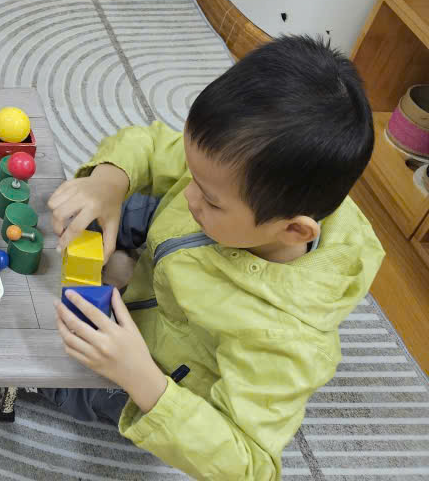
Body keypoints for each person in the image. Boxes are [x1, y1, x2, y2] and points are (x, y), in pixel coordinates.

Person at [36, 35, 385, 479]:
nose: (191, 193)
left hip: (156, 363)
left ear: (293, 231)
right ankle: (127, 268)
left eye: (210, 197)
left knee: (60, 371)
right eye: (193, 176)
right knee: (79, 211)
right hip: (173, 242)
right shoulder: (235, 174)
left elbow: (250, 465)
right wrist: (109, 181)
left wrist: (144, 380)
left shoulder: (286, 341)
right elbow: (152, 146)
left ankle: (92, 337)